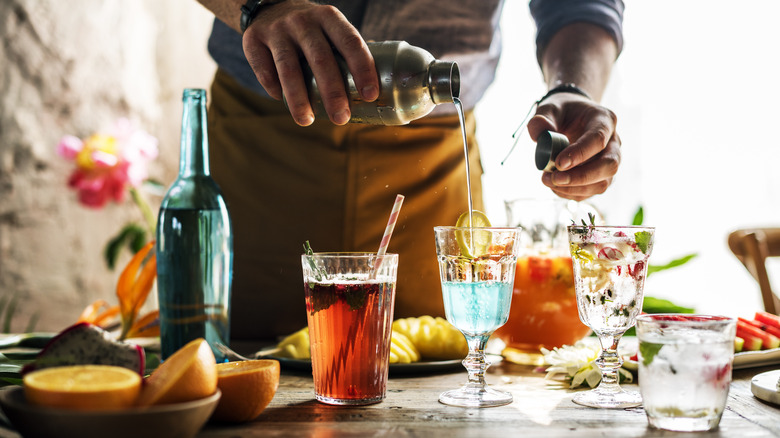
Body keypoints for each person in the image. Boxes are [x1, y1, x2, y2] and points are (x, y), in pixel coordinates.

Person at [196, 0, 624, 341]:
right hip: (265, 138)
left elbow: (580, 5)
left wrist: (573, 86)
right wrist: (257, 6)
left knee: (439, 359)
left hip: (431, 158)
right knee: (237, 355)